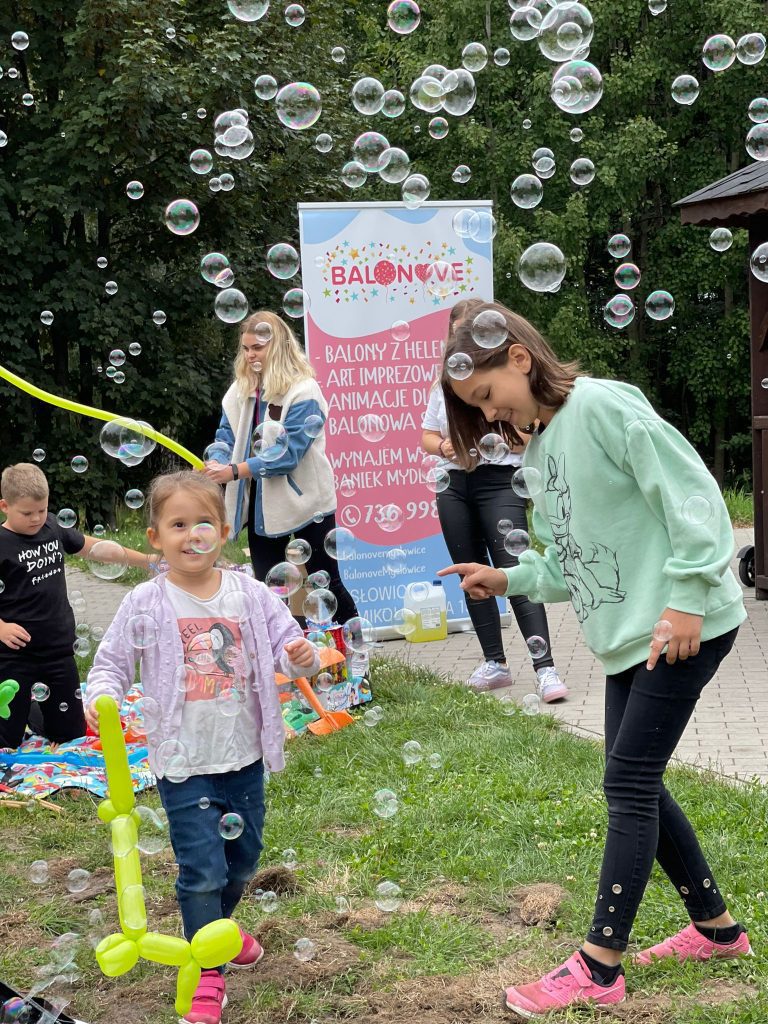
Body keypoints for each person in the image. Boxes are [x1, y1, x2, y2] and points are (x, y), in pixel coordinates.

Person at [438, 301, 751, 1017]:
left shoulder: (604, 407)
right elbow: (566, 563)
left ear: (517, 358)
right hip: (627, 636)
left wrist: (688, 600)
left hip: (677, 626)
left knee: (628, 783)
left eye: (487, 398)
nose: (490, 418)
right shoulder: (540, 451)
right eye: (476, 411)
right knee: (634, 778)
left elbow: (695, 498)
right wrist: (508, 579)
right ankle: (717, 929)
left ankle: (599, 965)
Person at [85, 470, 319, 1024]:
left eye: (204, 524)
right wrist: (101, 695)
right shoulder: (146, 601)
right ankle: (206, 968)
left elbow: (285, 639)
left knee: (243, 862)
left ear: (224, 530)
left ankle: (224, 930)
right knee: (203, 871)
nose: (192, 535)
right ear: (155, 538)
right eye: (178, 524)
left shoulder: (250, 593)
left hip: (243, 755)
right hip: (183, 762)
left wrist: (300, 655)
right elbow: (112, 663)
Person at [422, 299, 567, 700]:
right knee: (471, 572)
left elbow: (529, 436)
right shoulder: (447, 388)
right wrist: (447, 446)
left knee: (514, 566)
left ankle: (546, 668)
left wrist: (505, 434)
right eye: (456, 331)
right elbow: (427, 437)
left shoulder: (510, 389)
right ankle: (494, 662)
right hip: (454, 483)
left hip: (500, 481)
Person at [204, 310, 358, 626]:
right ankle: (288, 659)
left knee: (325, 580)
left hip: (308, 503)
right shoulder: (240, 390)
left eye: (257, 348)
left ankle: (354, 651)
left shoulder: (304, 390)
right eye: (245, 349)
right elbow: (226, 434)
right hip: (262, 507)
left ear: (277, 347)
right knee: (270, 589)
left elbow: (287, 454)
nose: (250, 355)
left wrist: (233, 471)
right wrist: (217, 459)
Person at [0, 462, 157, 750]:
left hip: (57, 651)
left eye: (42, 510)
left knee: (70, 734)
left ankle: (32, 710)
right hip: (13, 656)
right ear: (4, 506)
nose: (36, 518)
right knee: (6, 740)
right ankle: (19, 709)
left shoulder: (51, 529)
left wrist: (150, 561)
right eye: (27, 513)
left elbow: (97, 548)